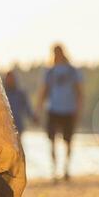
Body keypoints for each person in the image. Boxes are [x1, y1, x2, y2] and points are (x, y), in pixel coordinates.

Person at [36, 44, 83, 181]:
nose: (57, 55)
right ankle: (54, 169)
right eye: (54, 52)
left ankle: (66, 168)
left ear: (63, 52)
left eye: (58, 52)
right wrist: (38, 109)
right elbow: (43, 91)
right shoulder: (49, 72)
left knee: (68, 141)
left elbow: (79, 91)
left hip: (69, 109)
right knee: (52, 141)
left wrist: (78, 109)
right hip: (53, 109)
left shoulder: (72, 71)